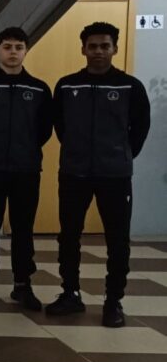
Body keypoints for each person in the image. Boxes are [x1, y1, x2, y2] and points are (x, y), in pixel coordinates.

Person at [47, 22, 151, 327]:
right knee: (69, 235)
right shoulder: (67, 86)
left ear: (114, 49)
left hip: (115, 176)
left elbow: (140, 128)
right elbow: (60, 126)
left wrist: (121, 155)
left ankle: (113, 301)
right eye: (92, 46)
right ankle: (70, 293)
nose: (98, 52)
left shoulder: (131, 87)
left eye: (105, 46)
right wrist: (76, 151)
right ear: (83, 49)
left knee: (118, 240)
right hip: (74, 173)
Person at [0, 27, 53, 309]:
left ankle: (22, 284)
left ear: (25, 50)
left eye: (18, 47)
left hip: (26, 169)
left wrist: (25, 148)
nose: (13, 52)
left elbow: (44, 129)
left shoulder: (39, 89)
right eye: (7, 47)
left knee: (23, 228)